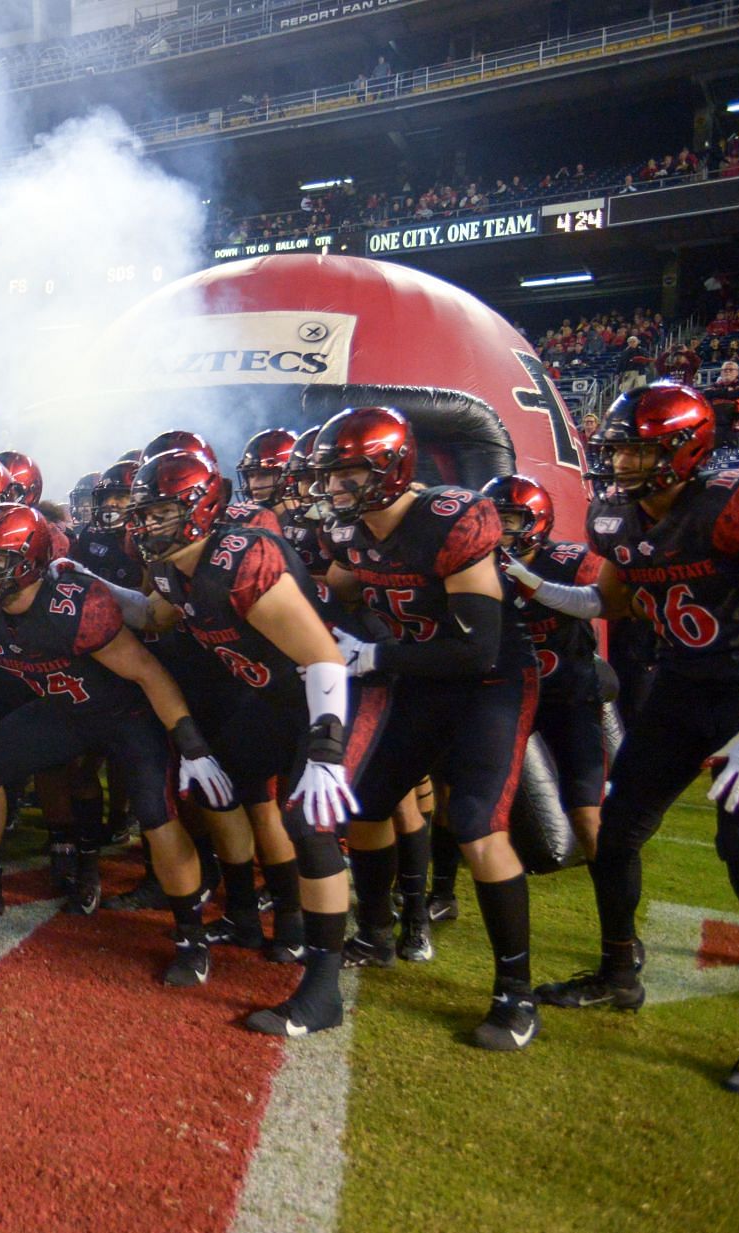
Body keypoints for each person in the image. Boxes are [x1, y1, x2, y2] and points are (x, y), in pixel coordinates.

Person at [534, 384, 739, 1098]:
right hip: (678, 692)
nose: (623, 461)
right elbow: (609, 598)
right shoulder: (620, 518)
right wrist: (536, 586)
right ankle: (617, 971)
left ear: (684, 449)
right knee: (617, 831)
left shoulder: (734, 505)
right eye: (619, 447)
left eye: (639, 448)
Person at [0, 503, 236, 984]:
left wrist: (189, 742)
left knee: (156, 813)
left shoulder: (74, 604)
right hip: (66, 711)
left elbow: (147, 673)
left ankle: (191, 938)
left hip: (125, 716)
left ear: (28, 562)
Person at [316, 406, 542, 1051]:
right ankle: (378, 933)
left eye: (349, 473)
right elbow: (338, 590)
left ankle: (515, 995)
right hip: (420, 679)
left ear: (391, 467)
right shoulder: (353, 532)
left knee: (474, 823)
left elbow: (477, 648)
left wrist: (377, 654)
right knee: (364, 805)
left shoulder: (451, 517)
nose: (335, 486)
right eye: (330, 473)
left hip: (490, 683)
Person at [124, 450, 359, 1036]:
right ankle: (270, 921)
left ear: (200, 506)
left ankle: (323, 987)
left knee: (308, 820)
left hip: (326, 692)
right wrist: (89, 584)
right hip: (272, 698)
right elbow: (154, 615)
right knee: (226, 780)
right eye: (143, 513)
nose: (147, 525)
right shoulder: (173, 566)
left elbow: (323, 657)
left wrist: (327, 747)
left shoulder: (240, 557)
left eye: (161, 512)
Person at [491, 475, 609, 861]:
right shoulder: (474, 566)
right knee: (471, 801)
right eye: (493, 518)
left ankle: (613, 907)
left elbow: (601, 601)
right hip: (505, 698)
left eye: (508, 520)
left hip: (567, 696)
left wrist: (537, 586)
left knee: (587, 814)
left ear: (534, 522)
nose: (498, 529)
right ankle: (443, 890)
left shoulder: (567, 561)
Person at [704, 359, 739, 451]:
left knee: (735, 451)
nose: (727, 371)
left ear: (737, 373)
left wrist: (718, 394)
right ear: (721, 372)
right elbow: (707, 394)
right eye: (725, 370)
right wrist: (727, 392)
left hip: (733, 425)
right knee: (712, 451)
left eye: (731, 369)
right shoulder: (714, 385)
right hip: (716, 425)